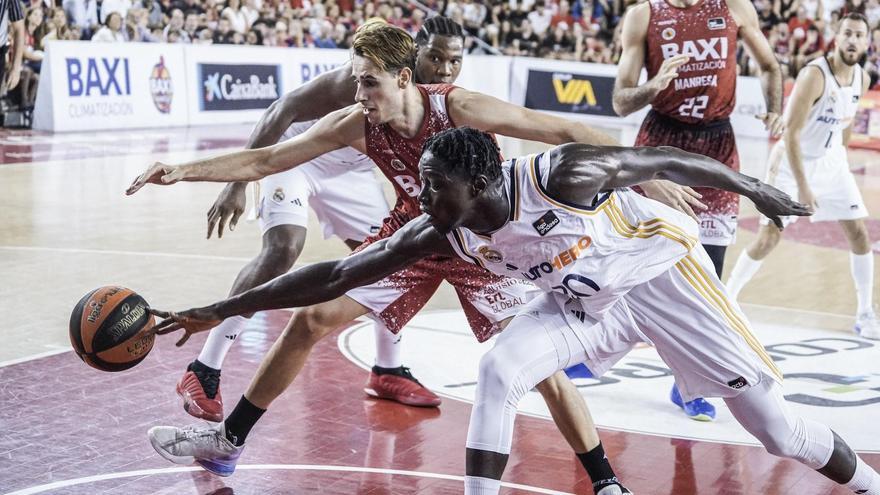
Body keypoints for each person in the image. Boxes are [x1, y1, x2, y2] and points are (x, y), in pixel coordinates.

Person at [130, 21, 712, 495]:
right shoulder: (356, 123)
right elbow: (267, 162)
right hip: (416, 235)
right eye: (356, 84)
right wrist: (181, 170)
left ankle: (606, 481)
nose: (360, 96)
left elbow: (564, 127)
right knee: (311, 319)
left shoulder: (458, 107)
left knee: (541, 370)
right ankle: (227, 444)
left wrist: (648, 175)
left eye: (370, 84)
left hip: (489, 242)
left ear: (405, 78)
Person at [140, 127, 879, 495]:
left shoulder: (564, 173)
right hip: (589, 303)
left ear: (482, 180)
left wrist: (754, 189)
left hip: (662, 277)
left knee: (778, 431)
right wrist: (217, 307)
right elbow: (336, 270)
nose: (423, 200)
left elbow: (663, 164)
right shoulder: (443, 225)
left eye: (435, 187)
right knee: (498, 367)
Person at [177, 17, 470, 424]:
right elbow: (283, 109)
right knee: (283, 250)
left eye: (453, 61)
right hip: (298, 158)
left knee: (393, 257)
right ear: (413, 54)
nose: (443, 69)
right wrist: (236, 185)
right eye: (435, 58)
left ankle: (387, 369)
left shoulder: (437, 99)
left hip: (350, 172)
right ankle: (204, 368)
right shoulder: (356, 82)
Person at [612, 0, 785, 421]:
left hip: (716, 145)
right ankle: (597, 347)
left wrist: (775, 108)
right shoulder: (643, 15)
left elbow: (770, 66)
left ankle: (687, 383)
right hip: (659, 144)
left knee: (709, 271)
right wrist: (654, 87)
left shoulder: (734, 7)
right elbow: (621, 101)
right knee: (631, 264)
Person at [726, 13, 880, 340]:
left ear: (867, 42)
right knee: (769, 237)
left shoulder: (862, 79)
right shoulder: (814, 75)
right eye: (848, 34)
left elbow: (847, 124)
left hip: (832, 162)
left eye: (859, 35)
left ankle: (865, 313)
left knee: (859, 234)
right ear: (836, 38)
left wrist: (841, 161)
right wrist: (805, 187)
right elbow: (792, 135)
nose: (853, 40)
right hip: (791, 165)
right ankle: (726, 301)